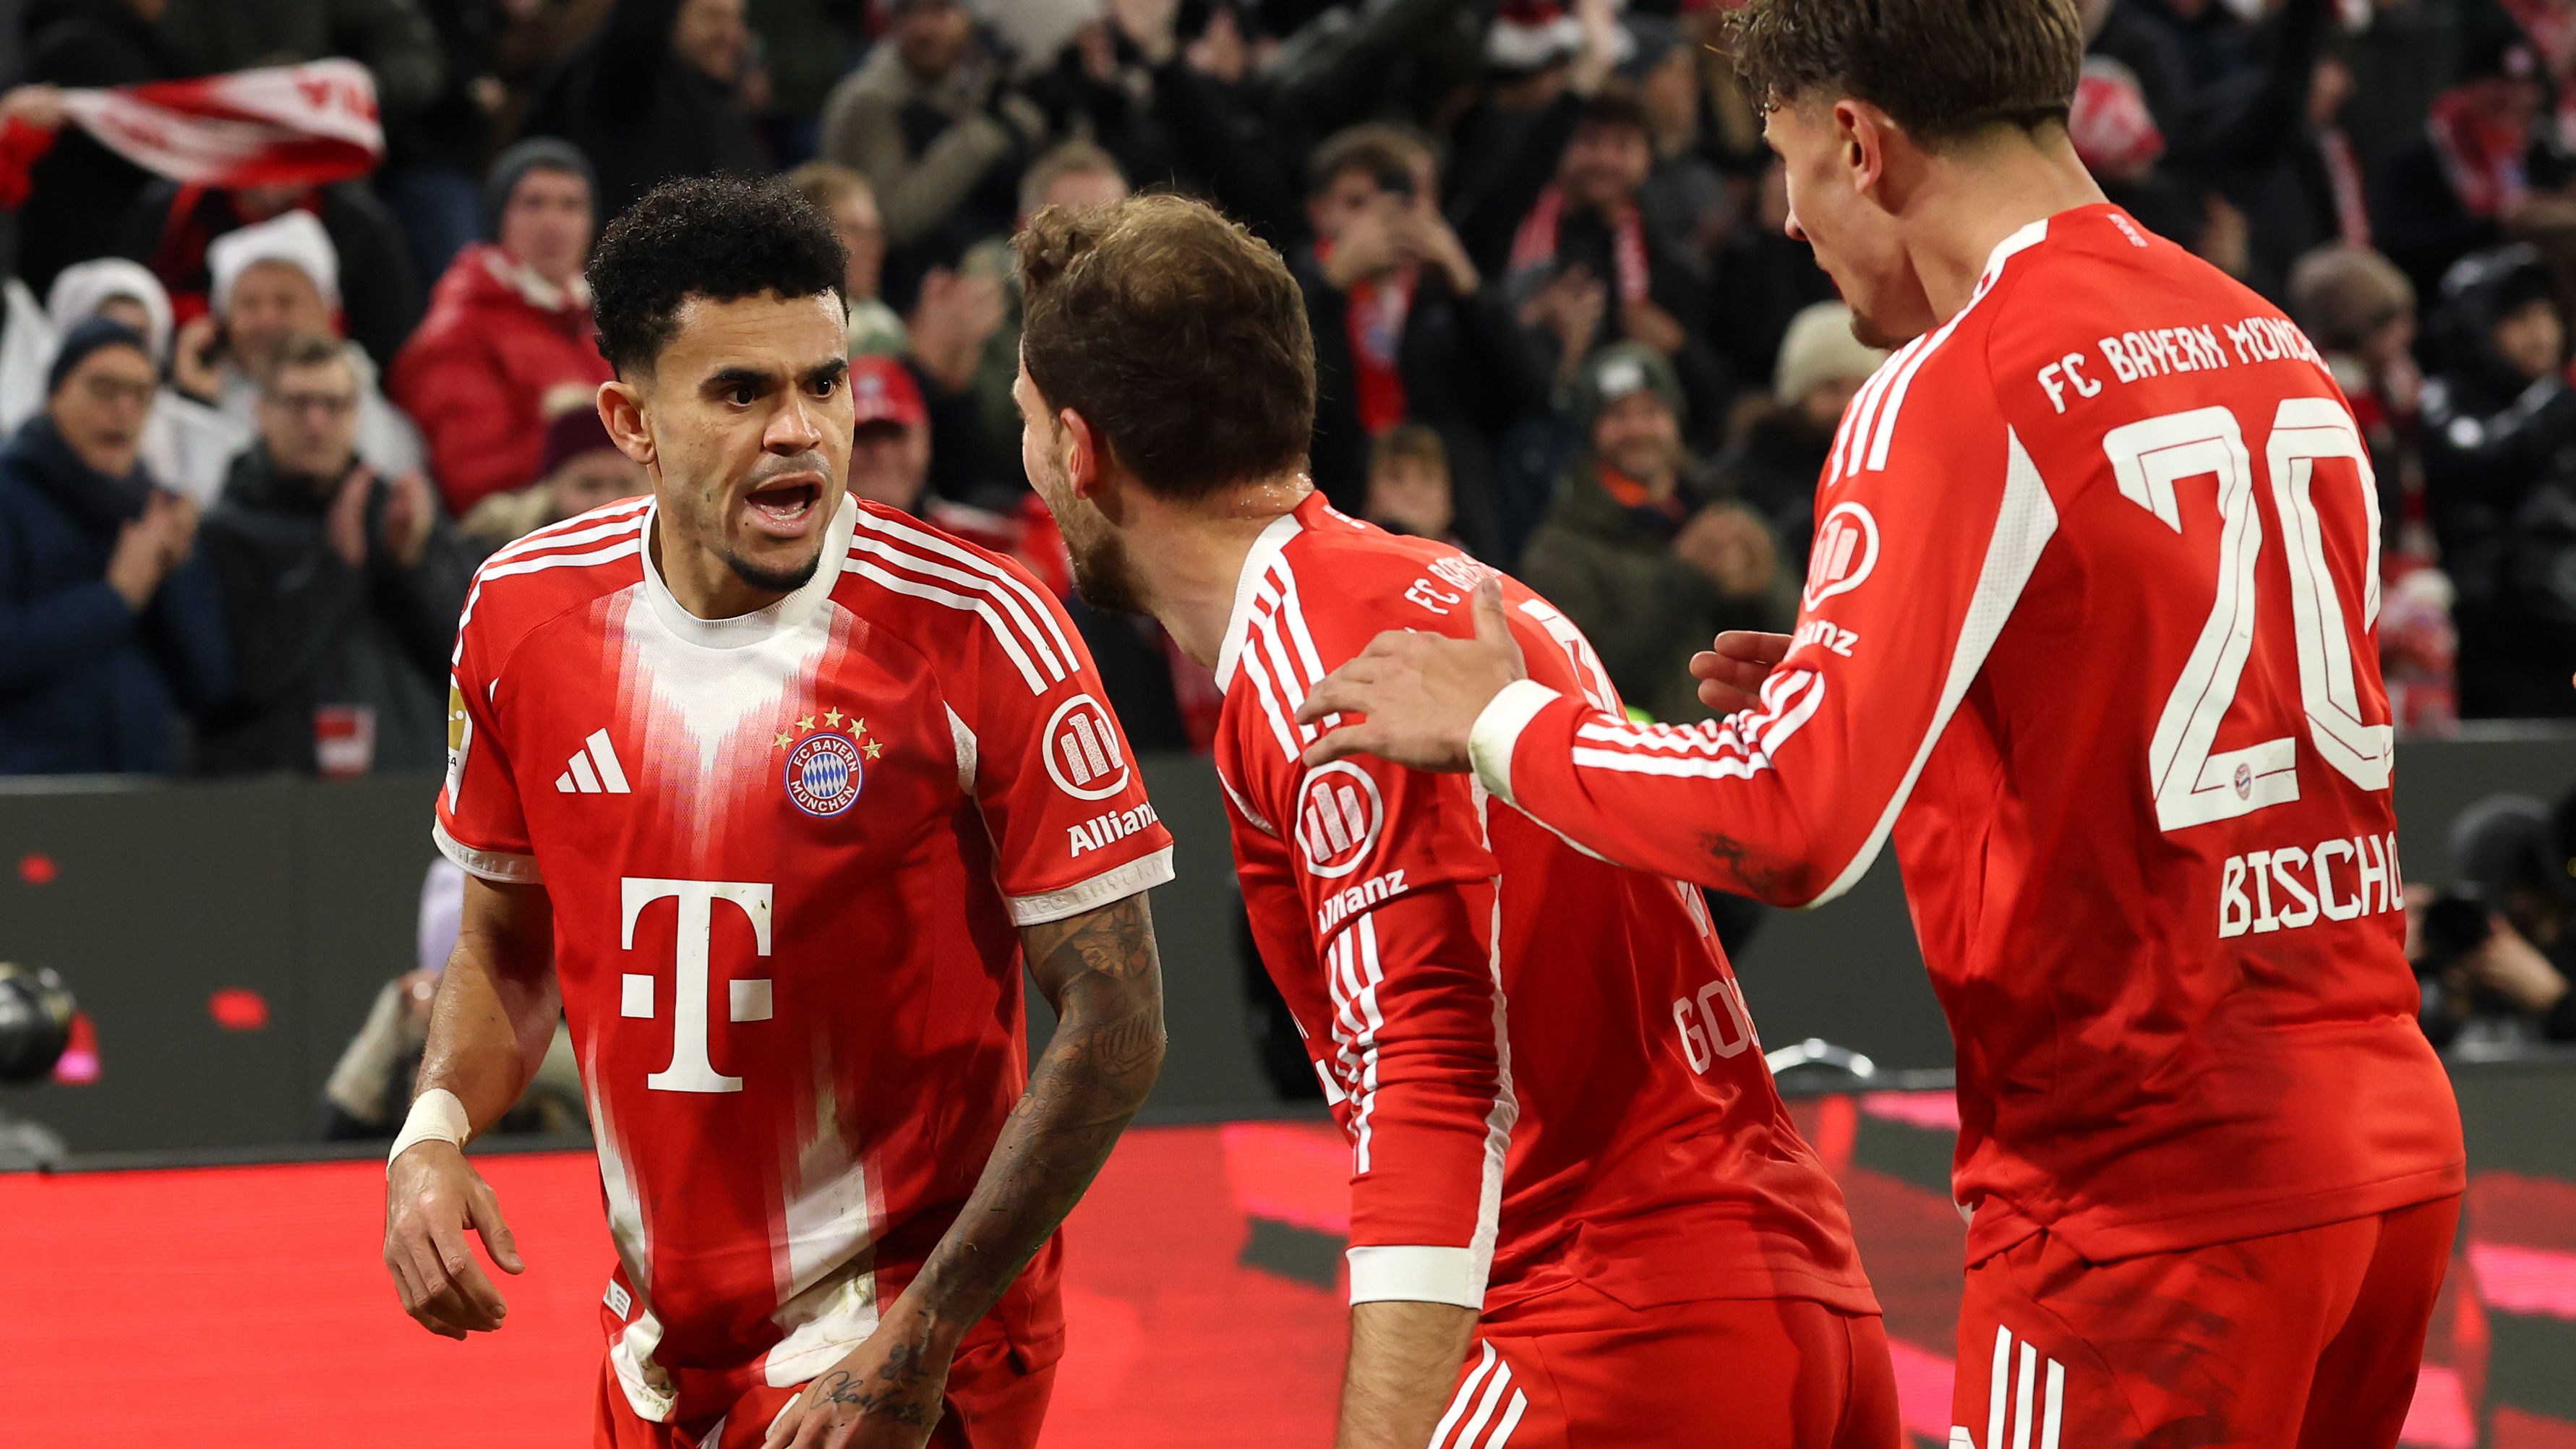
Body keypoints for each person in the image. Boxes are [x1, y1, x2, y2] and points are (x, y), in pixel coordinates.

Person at [1291, 0, 2468, 1442]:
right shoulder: (2263, 335)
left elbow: (1788, 821)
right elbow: (2185, 714)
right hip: (2381, 1151)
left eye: (1786, 162)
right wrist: (1917, 701)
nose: (1789, 220)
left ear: (1856, 140)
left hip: (2143, 1201)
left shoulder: (1956, 379)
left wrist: (1503, 723)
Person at [1013, 191, 1894, 1449]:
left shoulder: (1324, 668)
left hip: (1609, 1330)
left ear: (1080, 449)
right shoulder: (1449, 588)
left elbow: (1428, 1072)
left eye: (1027, 426)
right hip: (1789, 1297)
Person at [380, 175, 1171, 1449]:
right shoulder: (520, 613)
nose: (799, 430)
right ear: (631, 421)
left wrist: (922, 1336)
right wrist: (431, 1130)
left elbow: (1119, 1021)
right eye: (741, 393)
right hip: (657, 1340)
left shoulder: (980, 627)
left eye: (824, 382)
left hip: (906, 1335)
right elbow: (506, 950)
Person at [198, 333, 475, 776]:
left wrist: (414, 565)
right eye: (298, 404)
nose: (316, 423)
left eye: (334, 405)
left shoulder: (397, 517)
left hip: (411, 778)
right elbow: (239, 682)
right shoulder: (225, 533)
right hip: (279, 790)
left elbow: (470, 665)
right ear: (261, 411)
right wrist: (335, 568)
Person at [1518, 343, 1792, 724]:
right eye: (1617, 416)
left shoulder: (1729, 516)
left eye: (1651, 412)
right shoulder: (1560, 547)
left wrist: (1755, 594)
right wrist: (1685, 578)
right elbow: (1581, 679)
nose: (1637, 429)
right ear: (1591, 430)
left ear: (1675, 421)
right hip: (1645, 754)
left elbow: (1801, 645)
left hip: (1751, 747)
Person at [0, 317, 226, 774]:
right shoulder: (9, 497)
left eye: (141, 395)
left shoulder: (156, 511)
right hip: (30, 791)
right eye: (104, 389)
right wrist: (115, 599)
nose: (124, 410)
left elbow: (209, 686)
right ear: (55, 395)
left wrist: (177, 572)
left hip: (142, 789)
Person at [390, 139, 617, 516]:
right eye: (533, 203)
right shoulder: (456, 335)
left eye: (571, 205)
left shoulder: (601, 323)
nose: (553, 223)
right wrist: (573, 430)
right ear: (499, 218)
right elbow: (472, 482)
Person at [192, 211, 429, 482]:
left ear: (327, 312)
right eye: (249, 304)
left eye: (285, 302)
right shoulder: (194, 399)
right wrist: (196, 403)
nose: (266, 320)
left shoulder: (375, 418)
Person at [521, 0, 766, 220]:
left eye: (737, 18)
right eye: (713, 17)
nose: (730, 33)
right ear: (669, 18)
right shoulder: (631, 87)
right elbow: (634, 30)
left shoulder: (721, 108)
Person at [37, 258, 248, 504]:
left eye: (137, 335)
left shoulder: (173, 424)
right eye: (107, 329)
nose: (123, 410)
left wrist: (198, 402)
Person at [1718, 300, 1888, 571]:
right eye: (1832, 389)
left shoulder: (1889, 471)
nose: (1848, 404)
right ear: (1797, 398)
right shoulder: (1743, 478)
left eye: (1862, 388)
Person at [458, 401, 651, 548]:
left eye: (624, 484)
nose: (608, 500)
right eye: (589, 485)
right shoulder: (497, 559)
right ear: (552, 488)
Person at [787, 160, 907, 356]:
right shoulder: (783, 325)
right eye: (855, 230)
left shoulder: (887, 327)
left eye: (875, 232)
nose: (874, 246)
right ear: (810, 236)